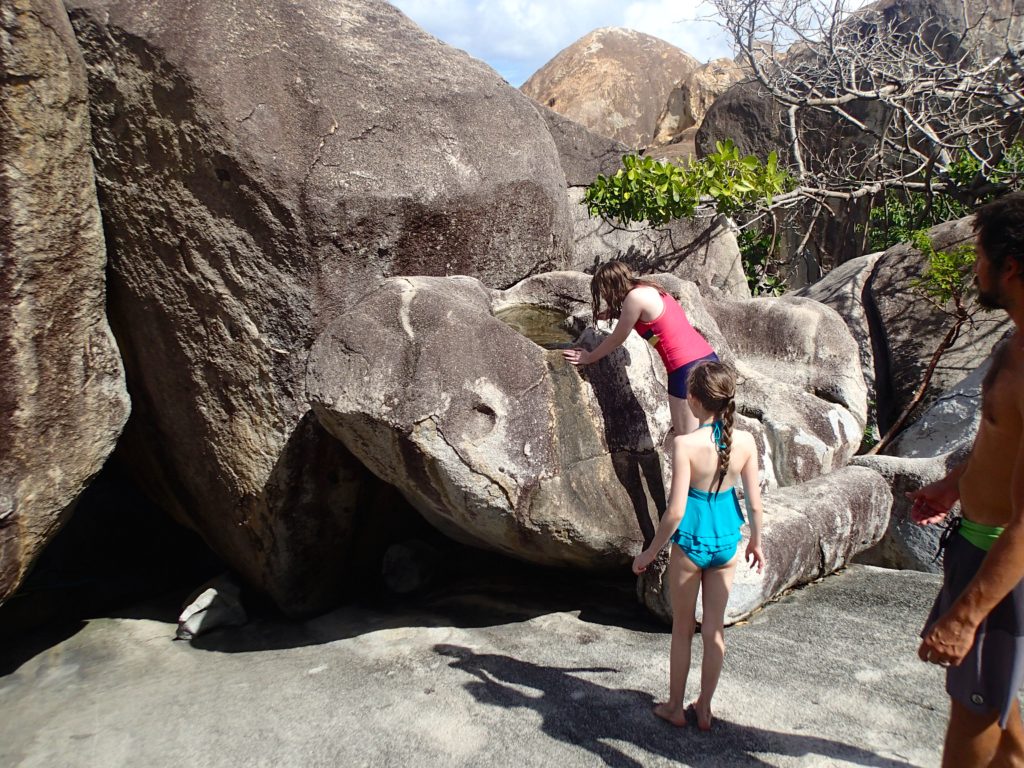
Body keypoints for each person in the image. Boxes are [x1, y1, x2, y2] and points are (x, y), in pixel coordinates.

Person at [907, 191, 1024, 767]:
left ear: (1010, 266)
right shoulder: (1013, 345)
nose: (973, 268)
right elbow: (1002, 446)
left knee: (974, 710)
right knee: (996, 702)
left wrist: (967, 614)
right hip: (976, 543)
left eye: (979, 255)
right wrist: (957, 483)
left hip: (1002, 563)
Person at [632, 360, 765, 731]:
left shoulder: (685, 444)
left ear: (693, 400)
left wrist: (649, 553)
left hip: (691, 540)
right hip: (726, 539)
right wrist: (757, 540)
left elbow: (675, 512)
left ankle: (676, 706)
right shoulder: (746, 441)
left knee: (682, 628)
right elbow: (754, 503)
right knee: (714, 630)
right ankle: (704, 707)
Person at [563, 261, 717, 435]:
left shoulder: (634, 299)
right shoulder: (649, 288)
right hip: (709, 360)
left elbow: (616, 339)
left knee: (687, 440)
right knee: (713, 435)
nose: (605, 298)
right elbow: (655, 321)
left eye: (603, 292)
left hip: (685, 371)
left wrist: (589, 357)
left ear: (609, 287)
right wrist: (615, 313)